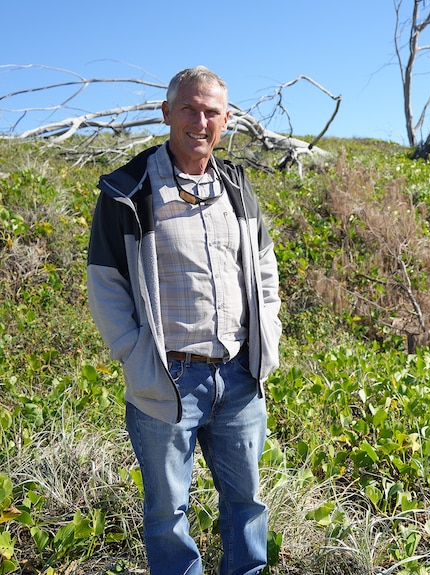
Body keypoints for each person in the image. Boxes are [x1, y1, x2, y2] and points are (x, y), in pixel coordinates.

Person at [87, 66, 282, 575]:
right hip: (167, 380)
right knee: (167, 514)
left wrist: (269, 342)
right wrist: (134, 356)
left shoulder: (237, 188)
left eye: (211, 111)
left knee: (247, 506)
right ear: (167, 113)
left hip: (238, 376)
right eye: (190, 109)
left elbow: (263, 269)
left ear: (226, 119)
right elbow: (106, 287)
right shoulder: (127, 191)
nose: (201, 121)